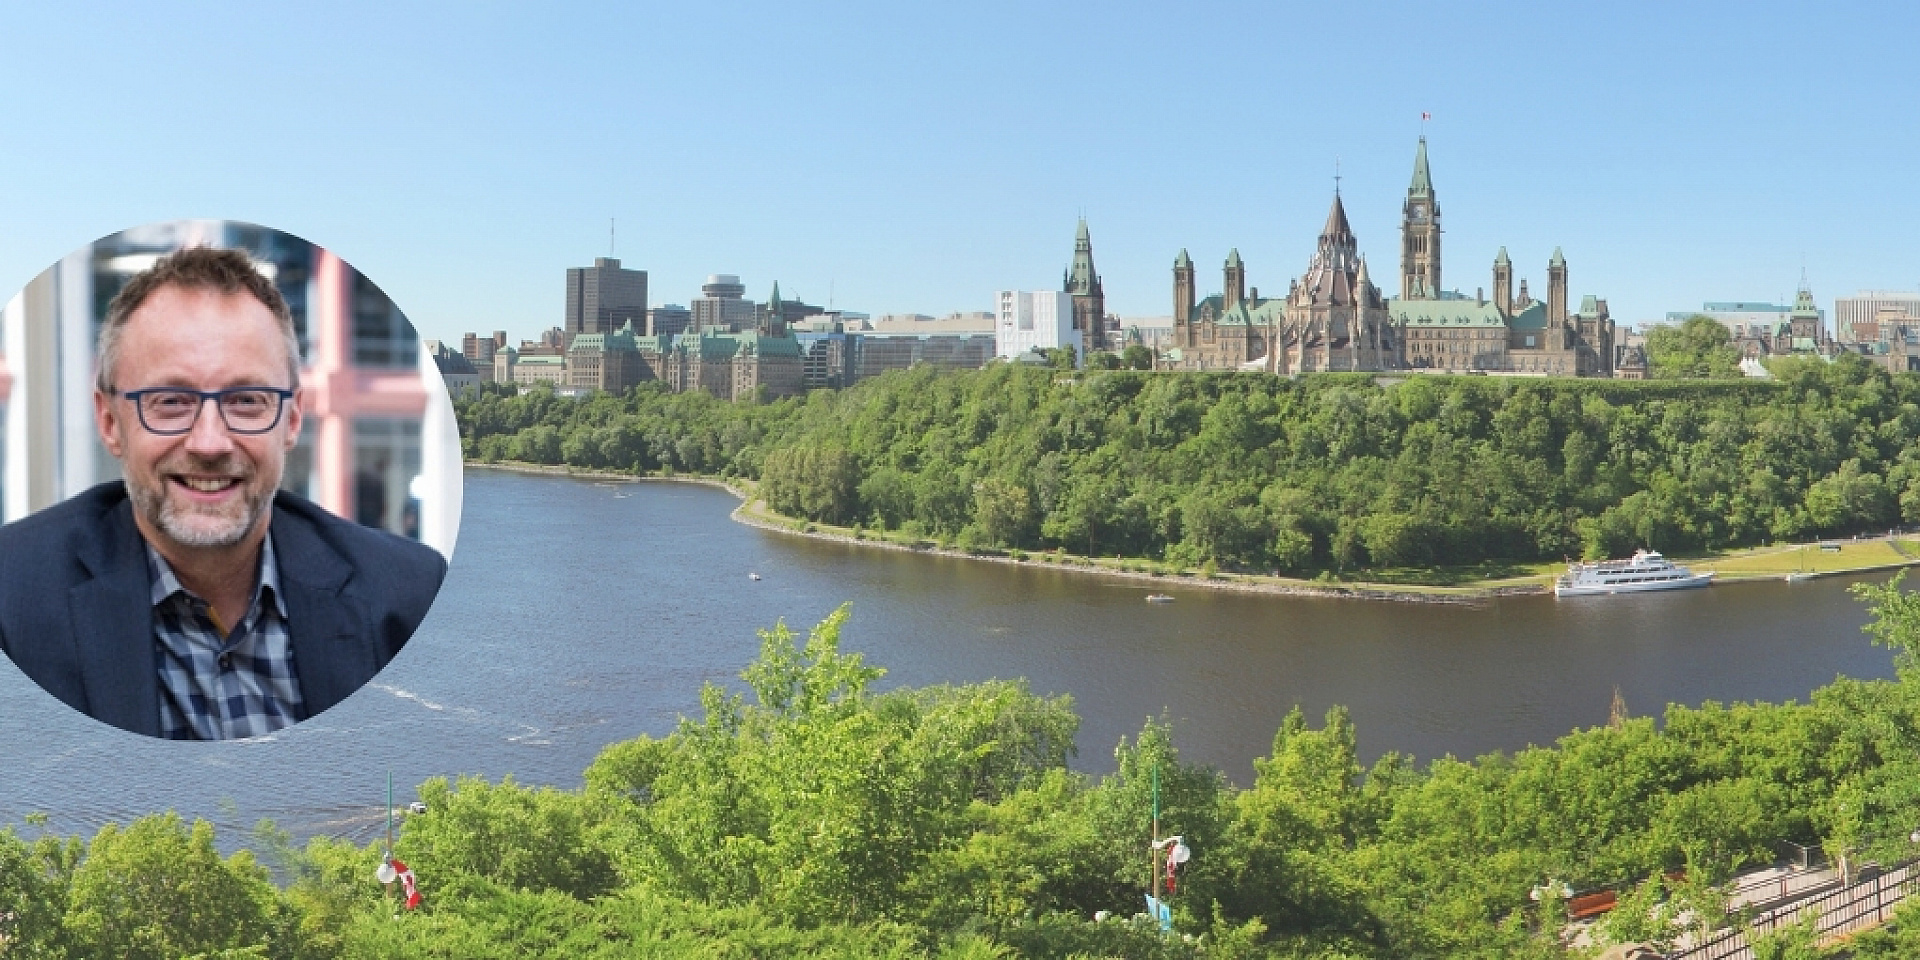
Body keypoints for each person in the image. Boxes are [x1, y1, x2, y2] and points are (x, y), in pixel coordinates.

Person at [0, 247, 446, 739]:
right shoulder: (11, 600)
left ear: (291, 420)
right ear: (110, 422)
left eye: (246, 401)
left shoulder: (412, 596)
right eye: (169, 402)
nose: (209, 443)